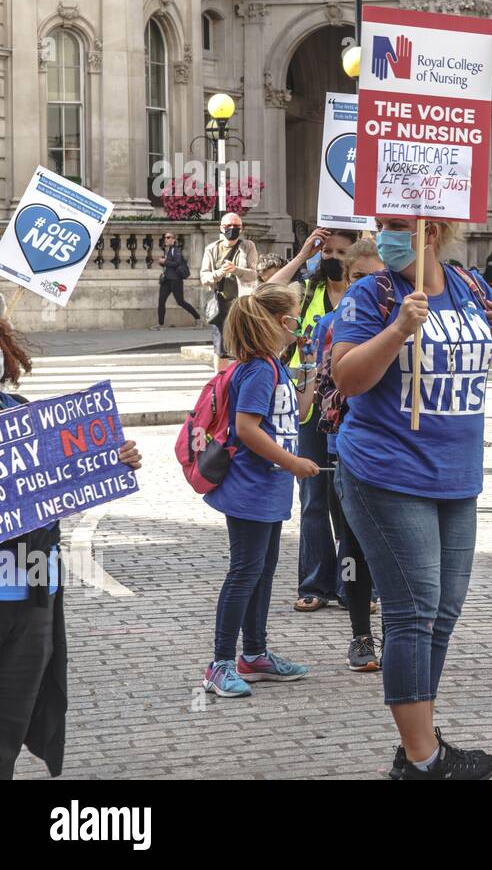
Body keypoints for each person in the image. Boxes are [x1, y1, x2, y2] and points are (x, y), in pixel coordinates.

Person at [331, 218, 492, 781]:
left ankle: (417, 744)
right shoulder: (374, 293)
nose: (388, 234)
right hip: (387, 474)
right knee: (412, 611)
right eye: (383, 225)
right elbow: (345, 377)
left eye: (399, 225)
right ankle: (423, 759)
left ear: (432, 229)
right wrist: (397, 330)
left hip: (456, 477)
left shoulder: (469, 286)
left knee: (441, 614)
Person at [0, 303, 143, 778]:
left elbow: (61, 484)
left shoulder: (23, 415)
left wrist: (109, 460)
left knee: (8, 734)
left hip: (33, 597)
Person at [200, 283, 319, 699]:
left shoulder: (274, 366)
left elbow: (298, 413)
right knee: (244, 572)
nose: (299, 322)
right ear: (278, 322)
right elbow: (247, 428)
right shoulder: (256, 371)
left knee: (263, 571)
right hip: (252, 486)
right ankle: (219, 663)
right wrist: (293, 463)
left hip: (270, 487)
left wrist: (313, 369)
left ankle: (254, 653)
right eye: (295, 315)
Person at [268, 227, 360, 613]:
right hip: (307, 404)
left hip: (352, 404)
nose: (334, 258)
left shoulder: (368, 292)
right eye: (328, 251)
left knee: (352, 499)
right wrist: (304, 250)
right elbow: (264, 295)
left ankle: (355, 585)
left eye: (342, 252)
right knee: (312, 496)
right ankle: (314, 584)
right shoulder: (306, 292)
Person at [310, 239, 385, 672]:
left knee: (396, 552)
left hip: (395, 454)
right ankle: (361, 636)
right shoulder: (332, 324)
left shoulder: (403, 317)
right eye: (357, 278)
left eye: (375, 278)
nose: (365, 287)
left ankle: (397, 629)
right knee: (352, 545)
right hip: (347, 449)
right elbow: (325, 387)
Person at [200, 213, 259, 371]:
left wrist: (236, 270)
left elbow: (254, 274)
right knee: (220, 349)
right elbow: (204, 277)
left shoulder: (247, 246)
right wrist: (220, 272)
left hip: (242, 305)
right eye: (228, 226)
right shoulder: (211, 249)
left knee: (244, 345)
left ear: (241, 228)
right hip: (221, 305)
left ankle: (240, 378)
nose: (232, 229)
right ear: (221, 228)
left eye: (236, 227)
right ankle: (219, 383)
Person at [153, 231, 201, 329]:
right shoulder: (168, 250)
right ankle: (160, 324)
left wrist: (165, 261)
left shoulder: (176, 250)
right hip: (166, 280)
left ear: (174, 239)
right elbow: (170, 264)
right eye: (165, 237)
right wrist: (162, 262)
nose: (166, 239)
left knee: (180, 301)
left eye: (169, 237)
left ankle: (198, 319)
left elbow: (177, 263)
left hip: (175, 280)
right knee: (161, 301)